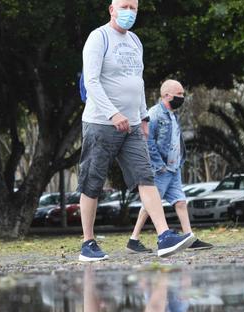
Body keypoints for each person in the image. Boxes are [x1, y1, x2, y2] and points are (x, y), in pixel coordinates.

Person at [78, 0, 195, 261]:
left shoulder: (135, 42)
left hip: (131, 126)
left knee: (146, 177)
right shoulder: (99, 38)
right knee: (92, 182)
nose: (129, 12)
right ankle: (88, 243)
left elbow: (137, 81)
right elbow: (91, 81)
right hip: (101, 123)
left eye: (134, 8)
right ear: (111, 9)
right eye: (125, 6)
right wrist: (113, 113)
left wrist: (143, 117)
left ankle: (164, 236)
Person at [127, 80, 213, 253]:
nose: (182, 97)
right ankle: (133, 239)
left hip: (174, 168)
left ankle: (190, 237)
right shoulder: (155, 114)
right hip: (160, 169)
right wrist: (160, 165)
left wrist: (179, 161)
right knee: (151, 205)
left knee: (180, 202)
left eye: (182, 94)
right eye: (178, 94)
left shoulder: (173, 114)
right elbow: (148, 141)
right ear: (166, 95)